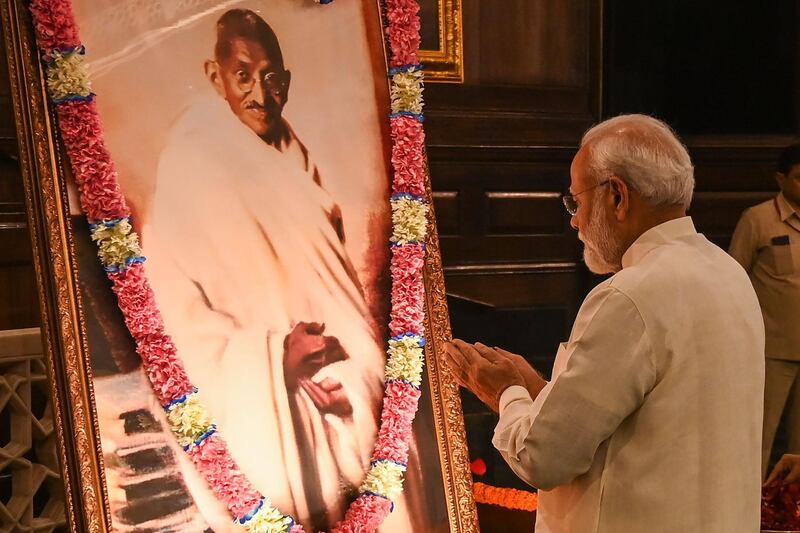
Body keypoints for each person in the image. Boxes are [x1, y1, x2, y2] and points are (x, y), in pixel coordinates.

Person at [142, 9, 414, 531]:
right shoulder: (191, 161)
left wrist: (353, 376)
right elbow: (179, 322)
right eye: (243, 75)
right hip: (260, 399)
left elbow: (340, 300)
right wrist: (276, 360)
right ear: (213, 75)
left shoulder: (294, 155)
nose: (260, 96)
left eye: (273, 80)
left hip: (341, 384)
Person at [445, 114, 765, 532]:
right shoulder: (727, 272)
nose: (575, 221)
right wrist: (542, 392)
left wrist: (506, 392)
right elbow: (653, 415)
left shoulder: (631, 295)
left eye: (575, 203)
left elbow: (542, 458)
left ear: (616, 195)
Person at [729, 143, 800, 479]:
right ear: (781, 178)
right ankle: (749, 511)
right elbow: (732, 280)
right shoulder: (757, 220)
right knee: (759, 438)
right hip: (772, 350)